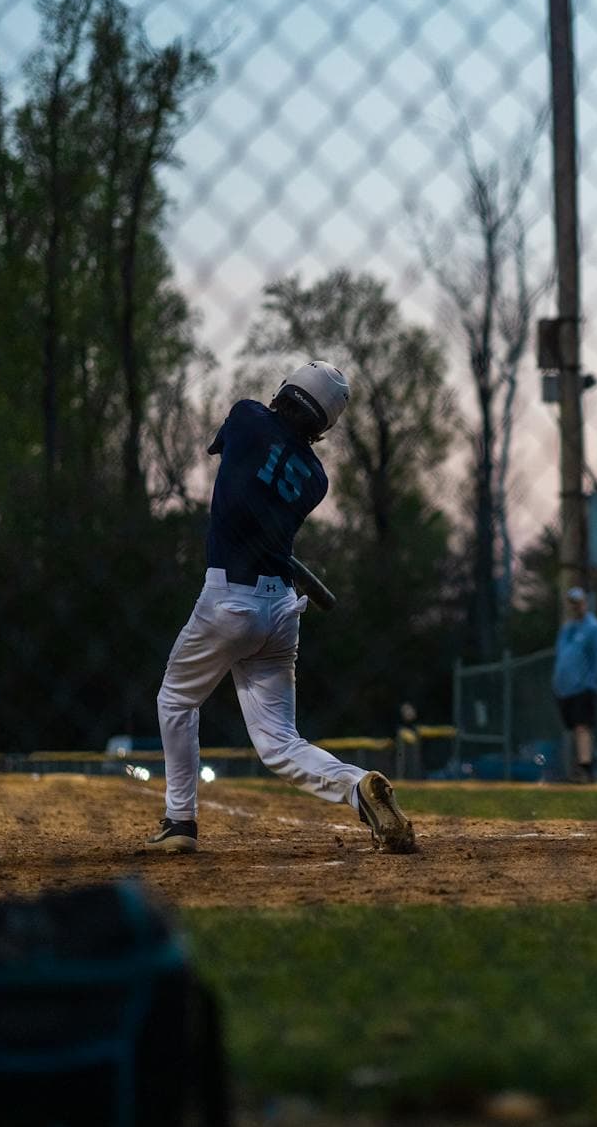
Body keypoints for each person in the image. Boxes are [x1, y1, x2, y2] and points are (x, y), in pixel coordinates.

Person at [145, 361, 416, 854]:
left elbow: (225, 452)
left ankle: (180, 821)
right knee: (280, 743)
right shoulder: (315, 478)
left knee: (176, 701)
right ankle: (357, 786)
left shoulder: (248, 416)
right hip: (280, 610)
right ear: (323, 425)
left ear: (286, 391)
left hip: (229, 598)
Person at [552, 586, 597, 782]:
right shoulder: (566, 629)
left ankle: (586, 768)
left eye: (578, 602)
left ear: (585, 603)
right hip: (564, 689)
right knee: (572, 729)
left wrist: (592, 683)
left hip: (583, 687)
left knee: (582, 727)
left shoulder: (594, 628)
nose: (575, 607)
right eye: (572, 603)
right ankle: (574, 769)